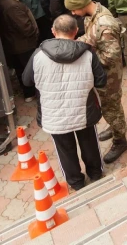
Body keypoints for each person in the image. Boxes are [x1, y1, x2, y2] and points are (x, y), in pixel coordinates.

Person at [22, 15, 106, 190]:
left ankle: (76, 183)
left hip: (53, 113)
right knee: (89, 143)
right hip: (84, 110)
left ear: (53, 31)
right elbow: (101, 80)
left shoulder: (38, 54)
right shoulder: (88, 53)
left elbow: (27, 81)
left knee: (65, 150)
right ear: (76, 32)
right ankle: (96, 174)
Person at [65, 0, 127, 163]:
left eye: (73, 9)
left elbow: (111, 55)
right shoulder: (94, 14)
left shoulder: (104, 23)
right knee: (110, 105)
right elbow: (92, 37)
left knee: (111, 106)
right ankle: (114, 125)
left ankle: (120, 140)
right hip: (104, 71)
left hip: (109, 74)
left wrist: (88, 60)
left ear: (81, 5)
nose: (73, 13)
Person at [0, 0, 39, 102]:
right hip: (23, 44)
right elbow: (25, 28)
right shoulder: (12, 6)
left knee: (21, 69)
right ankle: (32, 92)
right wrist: (34, 33)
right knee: (29, 69)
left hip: (12, 42)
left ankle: (28, 93)